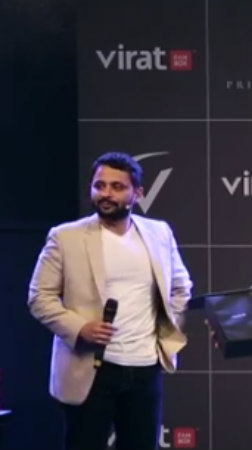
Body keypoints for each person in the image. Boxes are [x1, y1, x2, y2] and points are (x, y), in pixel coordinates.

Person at [28, 152, 192, 450]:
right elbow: (40, 297)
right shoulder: (65, 237)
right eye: (99, 185)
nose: (106, 193)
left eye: (117, 187)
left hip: (145, 368)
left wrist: (164, 333)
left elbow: (181, 288)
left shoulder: (159, 232)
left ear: (137, 193)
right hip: (90, 368)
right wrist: (79, 328)